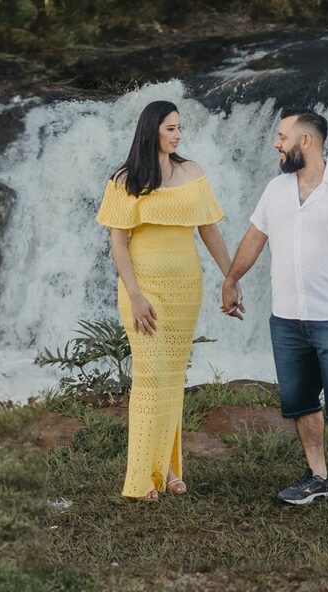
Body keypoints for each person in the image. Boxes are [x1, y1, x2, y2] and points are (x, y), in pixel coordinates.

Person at [222, 108, 328, 522]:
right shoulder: (275, 190)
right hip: (286, 319)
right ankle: (318, 477)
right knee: (300, 402)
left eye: (282, 137)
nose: (276, 144)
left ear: (306, 141)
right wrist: (231, 279)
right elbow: (254, 238)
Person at [96, 99, 231, 501]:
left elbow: (209, 230)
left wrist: (231, 276)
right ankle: (141, 477)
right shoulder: (125, 179)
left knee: (172, 378)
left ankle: (168, 467)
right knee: (149, 376)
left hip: (185, 289)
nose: (178, 135)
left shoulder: (193, 172)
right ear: (151, 129)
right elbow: (118, 243)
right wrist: (135, 295)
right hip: (143, 290)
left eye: (180, 128)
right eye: (171, 128)